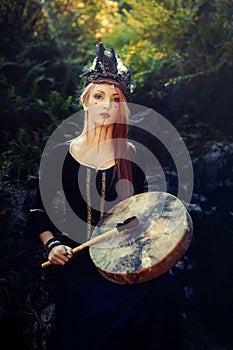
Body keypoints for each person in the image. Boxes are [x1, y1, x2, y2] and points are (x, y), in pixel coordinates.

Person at [29, 42, 185, 350]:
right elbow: (36, 211)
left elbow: (139, 217)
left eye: (115, 99)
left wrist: (139, 226)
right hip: (78, 263)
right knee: (101, 314)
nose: (106, 105)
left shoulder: (131, 159)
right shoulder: (62, 154)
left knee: (167, 289)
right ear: (85, 101)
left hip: (120, 261)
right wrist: (51, 245)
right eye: (99, 96)